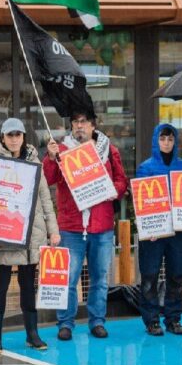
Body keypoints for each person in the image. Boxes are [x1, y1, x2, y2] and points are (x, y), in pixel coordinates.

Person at [43, 108, 129, 341]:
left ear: (93, 126)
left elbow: (122, 180)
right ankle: (65, 323)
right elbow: (47, 179)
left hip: (101, 226)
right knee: (68, 279)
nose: (79, 126)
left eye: (84, 122)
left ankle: (97, 322)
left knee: (100, 278)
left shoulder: (109, 150)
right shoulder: (60, 151)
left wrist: (115, 191)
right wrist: (50, 159)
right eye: (75, 122)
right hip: (71, 226)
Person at [0, 118, 60, 353]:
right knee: (1, 285)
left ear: (24, 137)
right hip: (4, 232)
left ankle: (32, 333)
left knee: (29, 285)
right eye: (10, 135)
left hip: (31, 234)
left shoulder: (34, 162)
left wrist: (53, 230)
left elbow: (45, 197)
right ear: (2, 137)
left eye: (18, 134)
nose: (14, 139)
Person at [135, 123, 182, 336]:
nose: (166, 143)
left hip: (178, 233)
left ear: (175, 141)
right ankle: (151, 320)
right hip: (154, 234)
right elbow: (141, 201)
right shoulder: (145, 168)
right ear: (155, 141)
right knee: (150, 276)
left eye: (170, 139)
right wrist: (147, 226)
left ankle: (173, 318)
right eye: (162, 139)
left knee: (177, 275)